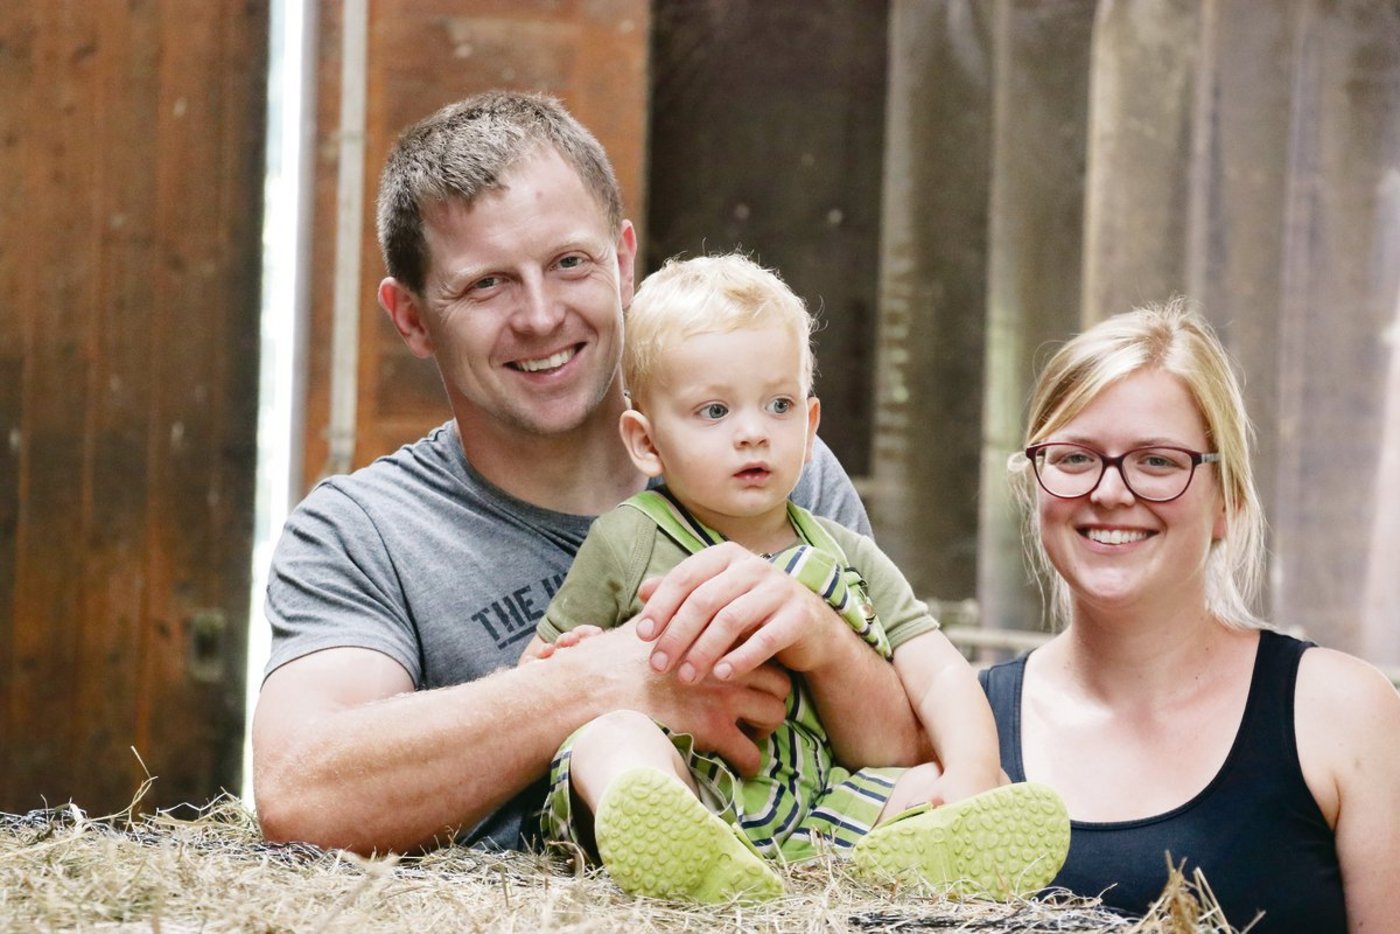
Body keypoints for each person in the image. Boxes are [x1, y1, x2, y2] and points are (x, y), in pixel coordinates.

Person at [250, 91, 933, 857]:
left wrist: (823, 635)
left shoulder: (779, 472)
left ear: (624, 262)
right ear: (410, 317)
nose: (541, 316)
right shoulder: (364, 532)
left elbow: (915, 752)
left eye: (570, 263)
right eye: (488, 283)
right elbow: (300, 793)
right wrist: (597, 683)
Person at [517, 253, 1069, 902]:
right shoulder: (629, 538)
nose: (753, 433)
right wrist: (570, 666)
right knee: (612, 739)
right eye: (714, 412)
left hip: (811, 809)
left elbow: (940, 670)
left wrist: (970, 771)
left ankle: (923, 851)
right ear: (645, 442)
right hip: (686, 789)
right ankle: (682, 856)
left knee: (960, 783)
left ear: (809, 428)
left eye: (777, 405)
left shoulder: (848, 554)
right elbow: (536, 684)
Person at [980, 300, 1400, 931]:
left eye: (1158, 462)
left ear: (1227, 498)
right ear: (1035, 485)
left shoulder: (1343, 714)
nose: (1110, 491)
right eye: (1074, 457)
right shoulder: (966, 724)